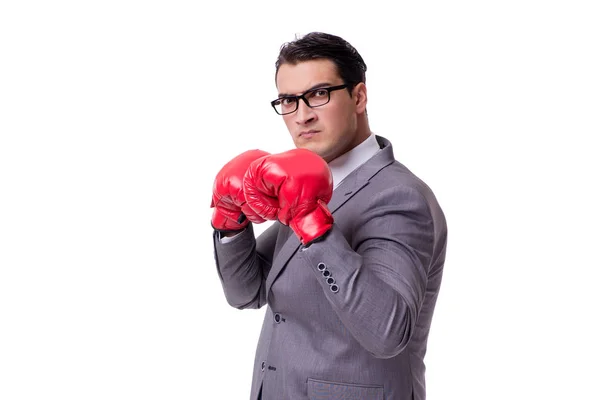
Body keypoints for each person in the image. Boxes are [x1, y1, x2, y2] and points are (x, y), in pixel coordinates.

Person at [210, 32, 447, 400]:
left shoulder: (400, 196)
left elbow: (387, 332)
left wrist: (312, 224)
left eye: (318, 94)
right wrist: (230, 220)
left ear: (359, 97)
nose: (302, 115)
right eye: (288, 100)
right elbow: (247, 292)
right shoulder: (310, 183)